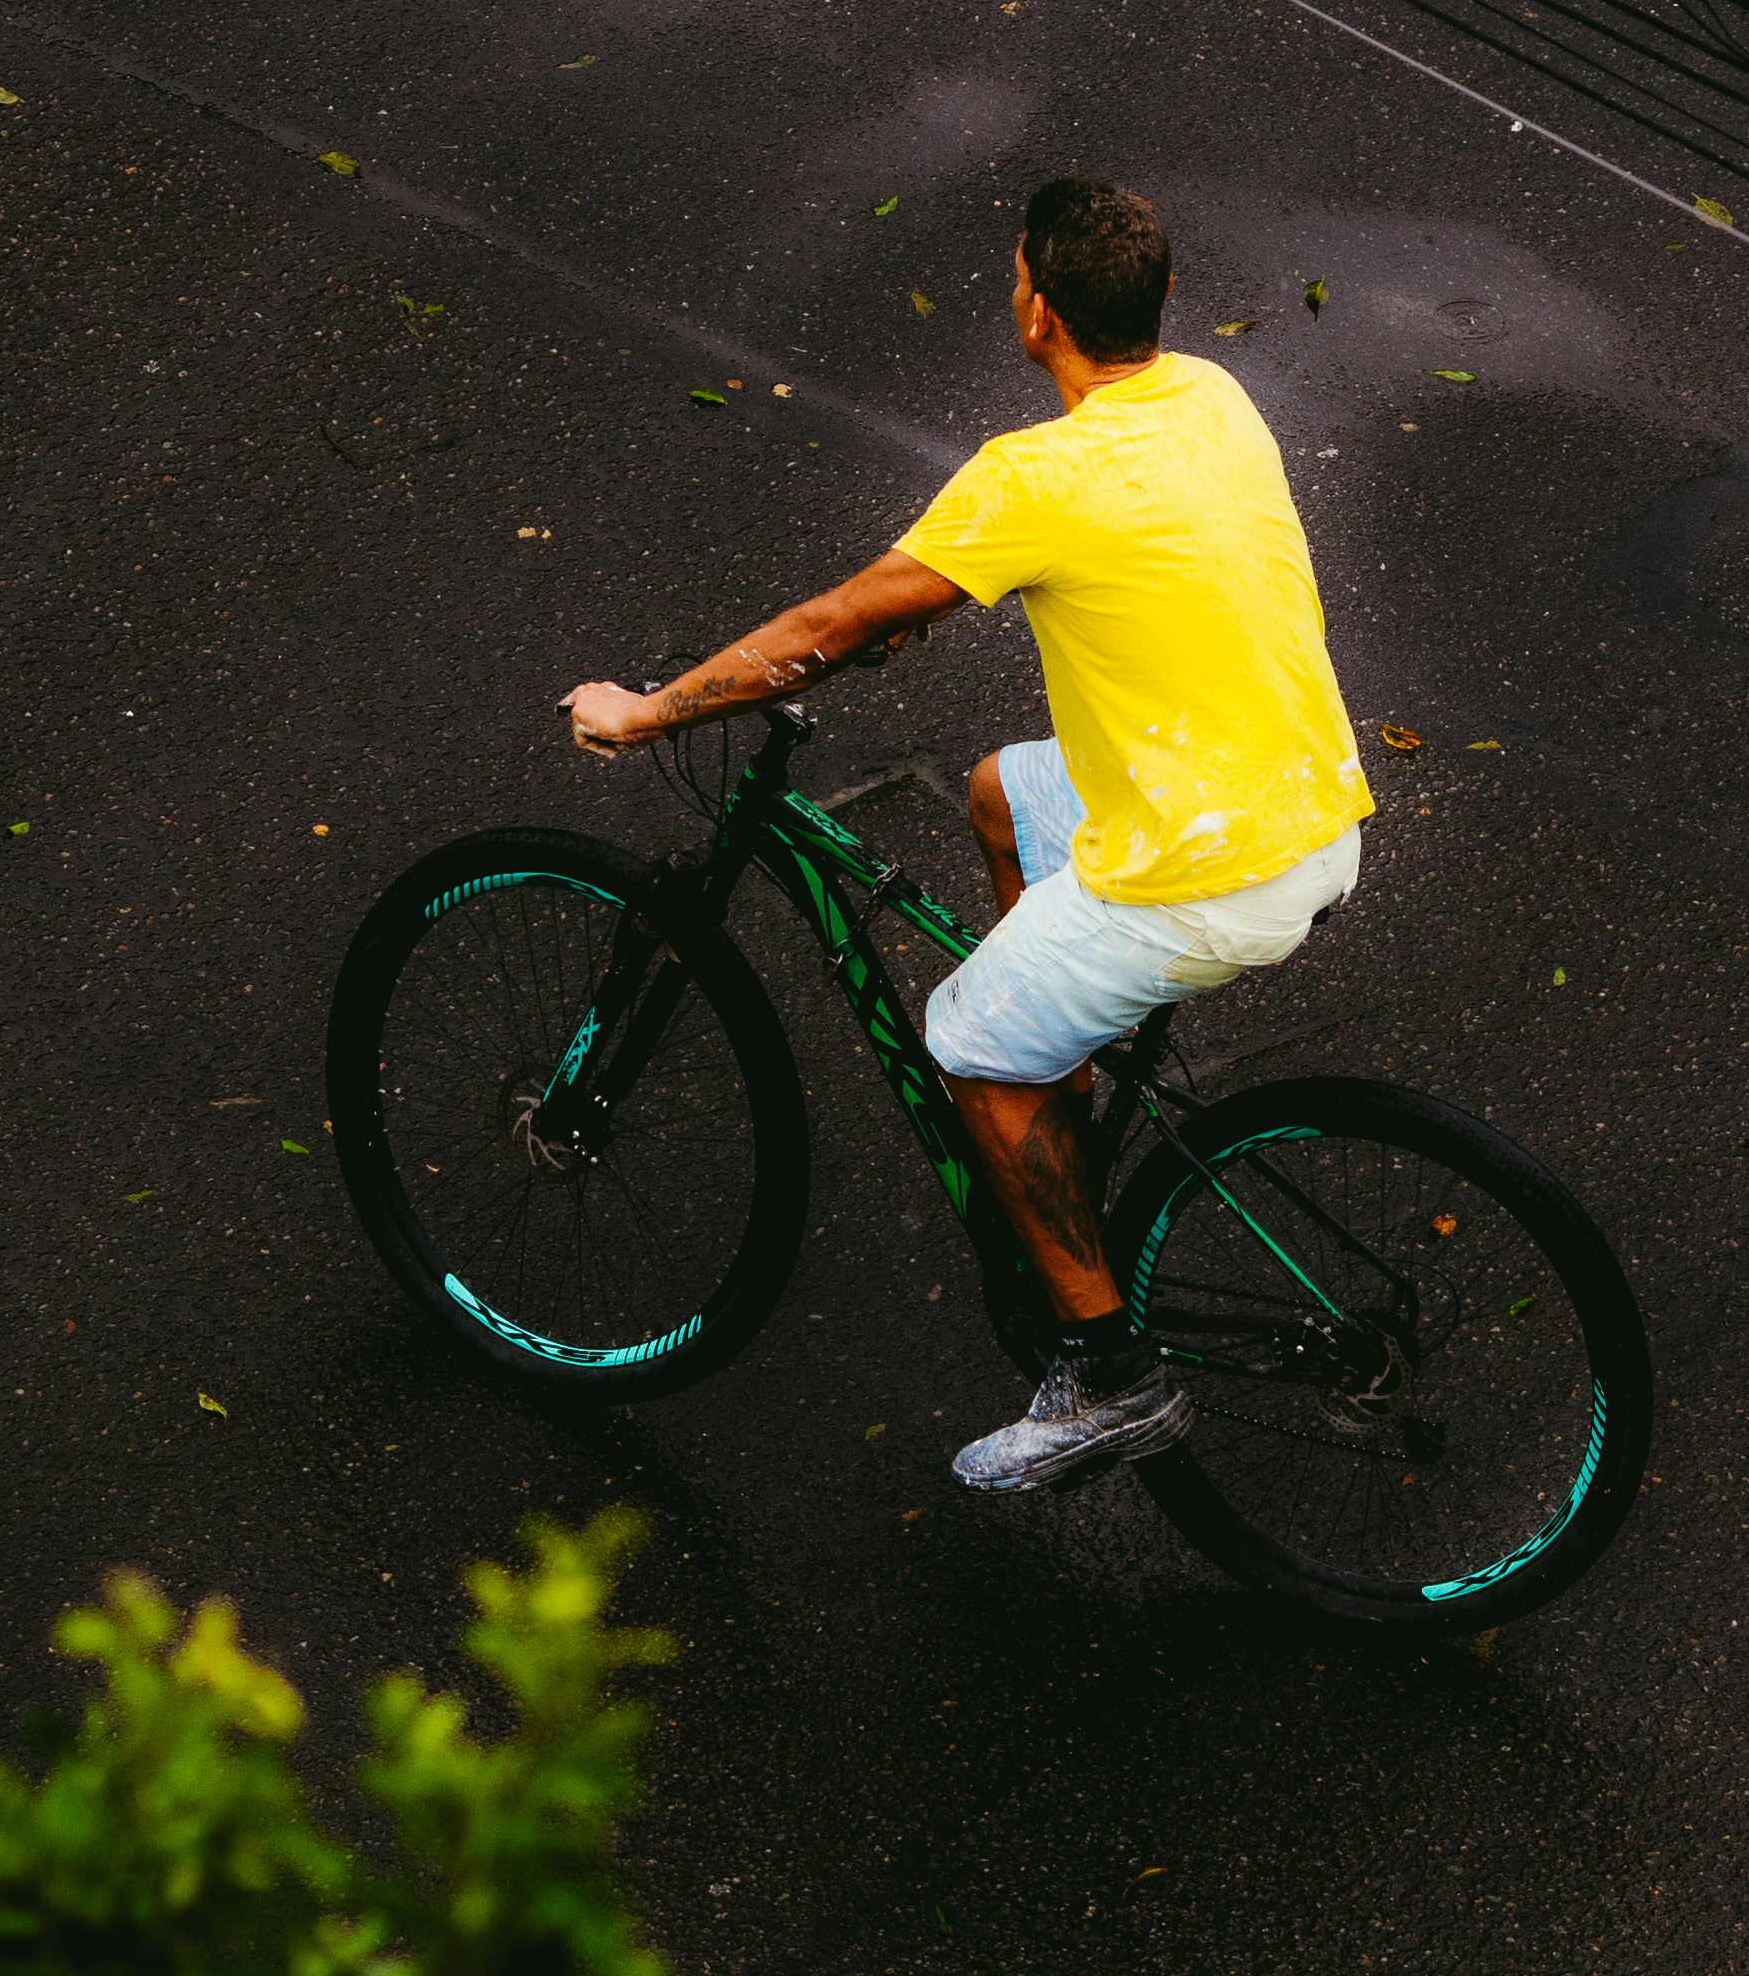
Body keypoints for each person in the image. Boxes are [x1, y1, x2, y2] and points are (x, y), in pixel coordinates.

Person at [561, 177, 1374, 1493]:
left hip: (1213, 868)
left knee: (968, 1041)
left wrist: (649, 713)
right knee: (1003, 791)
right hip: (1309, 808)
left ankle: (1106, 1367)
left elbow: (833, 626)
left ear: (1035, 313)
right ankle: (1069, 1088)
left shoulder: (1035, 478)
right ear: (1158, 303)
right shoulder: (1214, 400)